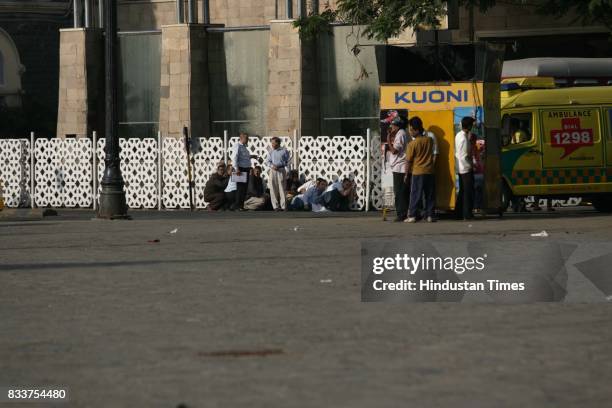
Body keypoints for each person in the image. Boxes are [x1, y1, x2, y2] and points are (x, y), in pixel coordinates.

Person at [405, 117, 436, 223]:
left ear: (416, 130)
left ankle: (413, 215)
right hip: (430, 171)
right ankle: (430, 215)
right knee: (429, 195)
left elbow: (408, 161)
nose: (410, 132)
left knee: (415, 194)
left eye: (411, 130)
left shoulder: (412, 144)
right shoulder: (429, 140)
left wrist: (406, 175)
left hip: (418, 172)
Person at [387, 116, 410, 222]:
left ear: (396, 125)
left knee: (399, 192)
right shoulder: (402, 133)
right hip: (400, 167)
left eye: (392, 125)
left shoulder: (400, 134)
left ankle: (401, 214)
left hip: (399, 167)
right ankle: (403, 212)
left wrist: (388, 140)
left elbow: (395, 151)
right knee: (402, 191)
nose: (391, 127)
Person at [231, 132, 258, 211]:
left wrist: (252, 156)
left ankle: (241, 206)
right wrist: (237, 169)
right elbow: (234, 157)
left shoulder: (244, 147)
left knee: (244, 188)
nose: (248, 140)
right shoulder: (237, 146)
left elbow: (244, 157)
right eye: (246, 138)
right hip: (240, 169)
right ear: (241, 138)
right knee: (240, 188)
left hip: (246, 169)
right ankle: (237, 206)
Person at [455, 117, 475, 220]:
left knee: (463, 191)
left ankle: (459, 213)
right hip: (465, 168)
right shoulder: (464, 138)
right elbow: (465, 155)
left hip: (460, 167)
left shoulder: (458, 135)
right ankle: (467, 214)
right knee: (467, 192)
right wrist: (472, 164)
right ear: (469, 126)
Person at [266, 137, 291, 211]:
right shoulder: (271, 151)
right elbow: (267, 162)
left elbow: (287, 162)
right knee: (273, 188)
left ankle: (283, 206)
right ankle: (275, 206)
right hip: (273, 170)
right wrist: (272, 166)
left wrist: (287, 170)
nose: (272, 144)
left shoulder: (284, 151)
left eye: (274, 143)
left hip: (281, 169)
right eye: (272, 143)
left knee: (282, 188)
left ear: (278, 143)